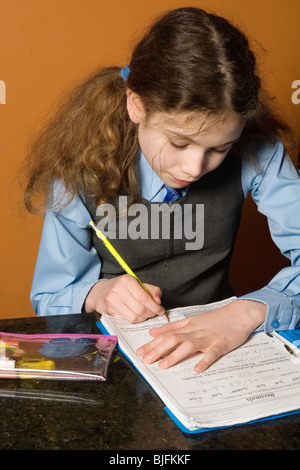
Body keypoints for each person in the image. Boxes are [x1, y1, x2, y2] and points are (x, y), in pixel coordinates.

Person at [23, 7, 300, 373]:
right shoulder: (82, 170)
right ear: (136, 105)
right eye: (179, 143)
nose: (195, 168)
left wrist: (250, 311)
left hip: (218, 353)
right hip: (121, 358)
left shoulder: (256, 150)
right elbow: (49, 297)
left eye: (220, 148)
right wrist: (97, 293)